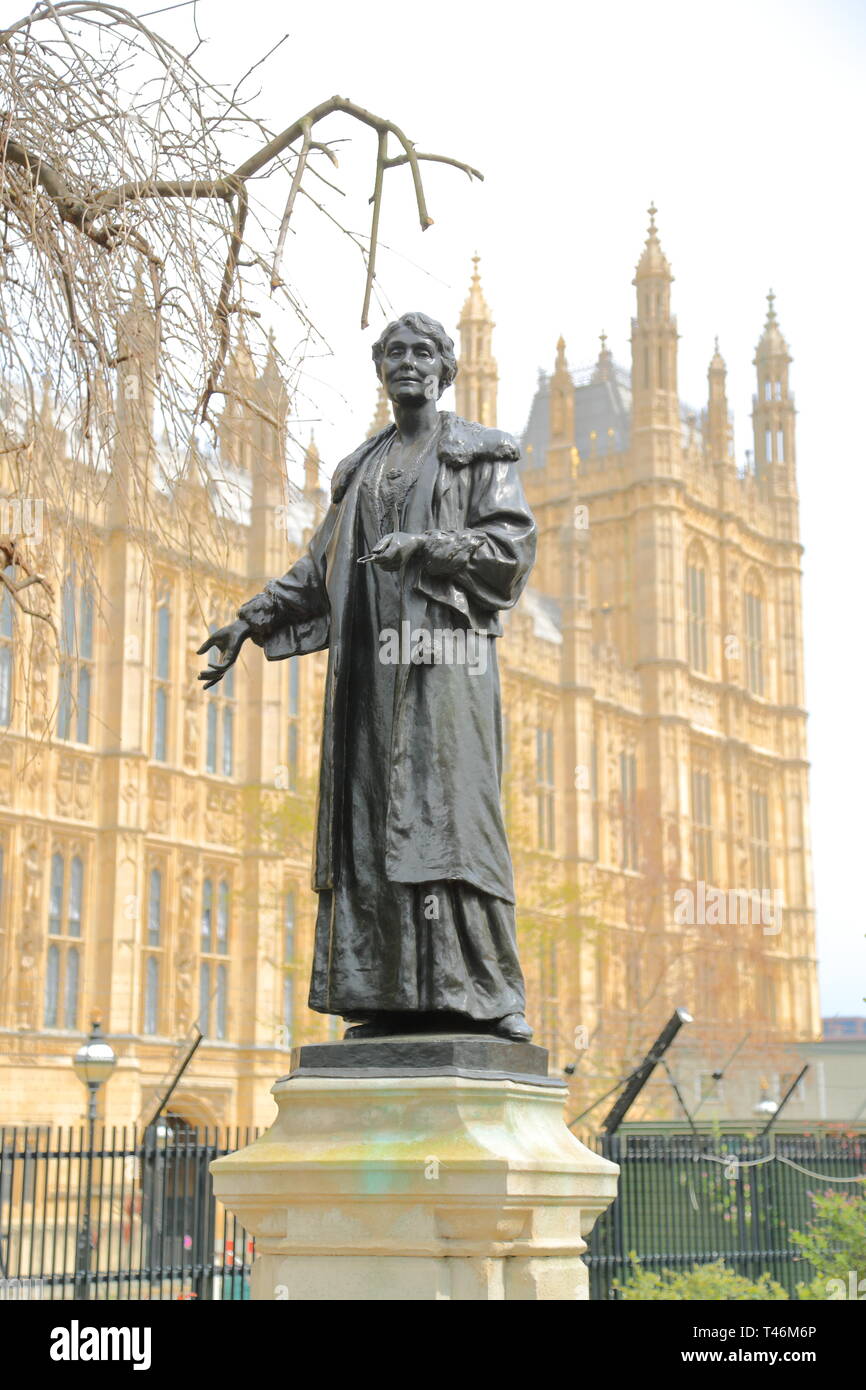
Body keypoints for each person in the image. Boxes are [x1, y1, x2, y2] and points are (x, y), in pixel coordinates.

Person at [199, 312, 537, 1041]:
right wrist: (250, 619)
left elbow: (510, 551)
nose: (407, 363)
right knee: (373, 831)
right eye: (394, 353)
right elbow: (319, 567)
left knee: (451, 824)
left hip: (444, 672)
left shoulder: (481, 455)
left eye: (422, 352)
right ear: (381, 370)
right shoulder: (361, 469)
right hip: (369, 681)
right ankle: (388, 994)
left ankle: (485, 990)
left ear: (446, 368)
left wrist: (427, 547)